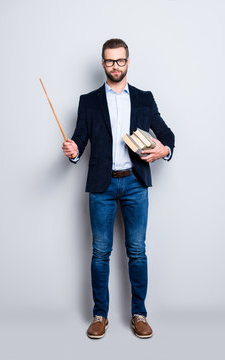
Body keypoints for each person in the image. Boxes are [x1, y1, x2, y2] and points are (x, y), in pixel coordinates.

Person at [62, 38, 175, 339]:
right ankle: (100, 315)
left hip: (135, 183)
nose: (115, 66)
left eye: (120, 60)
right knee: (100, 252)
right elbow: (79, 141)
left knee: (137, 251)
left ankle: (139, 314)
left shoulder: (143, 98)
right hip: (102, 184)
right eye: (110, 61)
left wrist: (165, 149)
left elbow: (166, 134)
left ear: (128, 62)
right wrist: (73, 150)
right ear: (103, 63)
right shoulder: (88, 101)